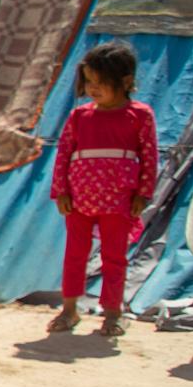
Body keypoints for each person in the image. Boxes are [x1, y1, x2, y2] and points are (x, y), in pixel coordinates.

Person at [48, 40, 156, 339]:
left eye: (100, 82)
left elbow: (149, 156)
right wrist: (61, 191)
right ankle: (69, 310)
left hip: (120, 199)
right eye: (89, 81)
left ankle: (112, 314)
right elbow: (64, 154)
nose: (93, 88)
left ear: (125, 81)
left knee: (114, 257)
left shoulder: (140, 115)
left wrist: (143, 194)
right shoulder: (79, 117)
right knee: (75, 254)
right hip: (79, 198)